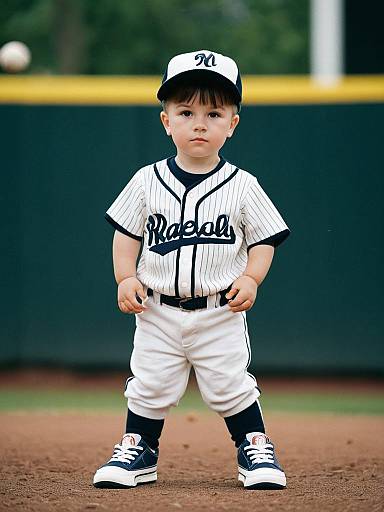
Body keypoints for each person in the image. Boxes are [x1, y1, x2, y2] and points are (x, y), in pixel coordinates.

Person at [93, 50, 290, 490]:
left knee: (231, 385)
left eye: (214, 112)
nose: (199, 122)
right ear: (167, 121)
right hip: (157, 309)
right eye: (186, 111)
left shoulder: (243, 185)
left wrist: (251, 277)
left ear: (232, 124)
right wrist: (125, 275)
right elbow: (125, 234)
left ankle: (254, 446)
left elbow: (263, 240)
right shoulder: (146, 180)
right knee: (148, 383)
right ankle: (138, 449)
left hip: (219, 311)